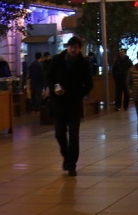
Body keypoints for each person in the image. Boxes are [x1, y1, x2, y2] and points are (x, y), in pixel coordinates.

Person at [49, 36, 94, 175]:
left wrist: (78, 93)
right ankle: (66, 155)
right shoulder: (57, 60)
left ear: (79, 48)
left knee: (74, 136)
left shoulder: (83, 63)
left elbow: (89, 84)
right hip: (59, 103)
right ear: (67, 46)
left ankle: (72, 164)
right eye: (71, 46)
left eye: (76, 47)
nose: (73, 49)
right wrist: (55, 88)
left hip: (74, 104)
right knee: (59, 133)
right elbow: (49, 77)